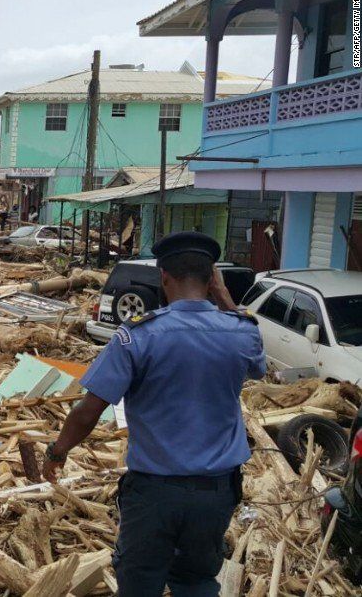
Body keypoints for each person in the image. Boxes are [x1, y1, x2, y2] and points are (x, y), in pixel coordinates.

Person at [41, 232, 266, 596]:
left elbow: (89, 410)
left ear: (163, 277)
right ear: (212, 280)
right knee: (196, 581)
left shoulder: (139, 336)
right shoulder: (241, 332)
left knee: (139, 583)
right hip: (216, 493)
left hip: (154, 494)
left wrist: (57, 452)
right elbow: (258, 367)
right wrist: (225, 301)